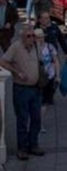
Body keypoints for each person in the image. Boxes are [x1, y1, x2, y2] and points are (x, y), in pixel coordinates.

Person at [0, 27, 44, 159]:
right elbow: (3, 61)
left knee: (36, 118)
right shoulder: (16, 47)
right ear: (22, 37)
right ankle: (22, 148)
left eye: (33, 36)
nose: (31, 39)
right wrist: (16, 71)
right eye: (28, 36)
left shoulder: (36, 47)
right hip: (21, 88)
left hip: (36, 88)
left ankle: (33, 144)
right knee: (22, 119)